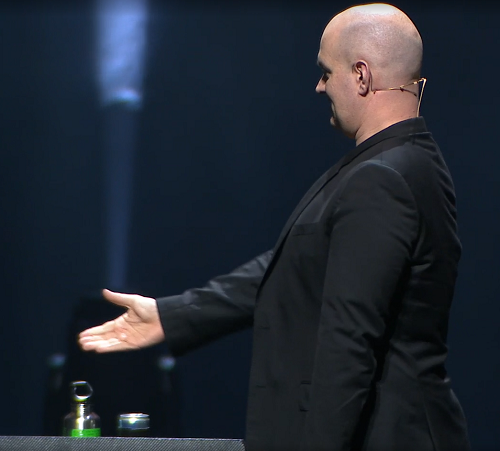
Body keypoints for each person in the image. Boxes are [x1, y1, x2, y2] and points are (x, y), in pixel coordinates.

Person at [79, 3, 471, 450]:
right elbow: (293, 265)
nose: (319, 86)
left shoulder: (382, 178)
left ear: (361, 76)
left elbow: (348, 345)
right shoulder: (403, 164)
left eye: (326, 72)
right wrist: (174, 315)